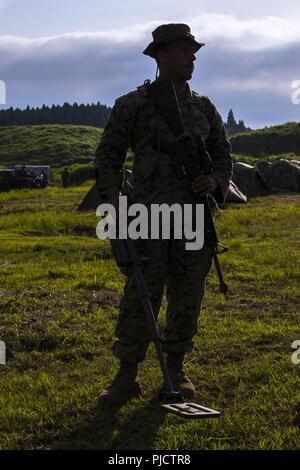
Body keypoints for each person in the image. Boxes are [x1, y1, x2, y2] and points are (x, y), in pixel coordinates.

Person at [95, 23, 233, 405]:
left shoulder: (203, 106)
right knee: (142, 293)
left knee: (188, 294)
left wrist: (214, 180)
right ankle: (127, 375)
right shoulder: (134, 104)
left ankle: (176, 370)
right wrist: (114, 198)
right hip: (148, 215)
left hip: (193, 218)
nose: (192, 57)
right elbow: (109, 154)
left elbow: (223, 154)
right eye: (184, 50)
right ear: (160, 55)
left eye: (193, 51)